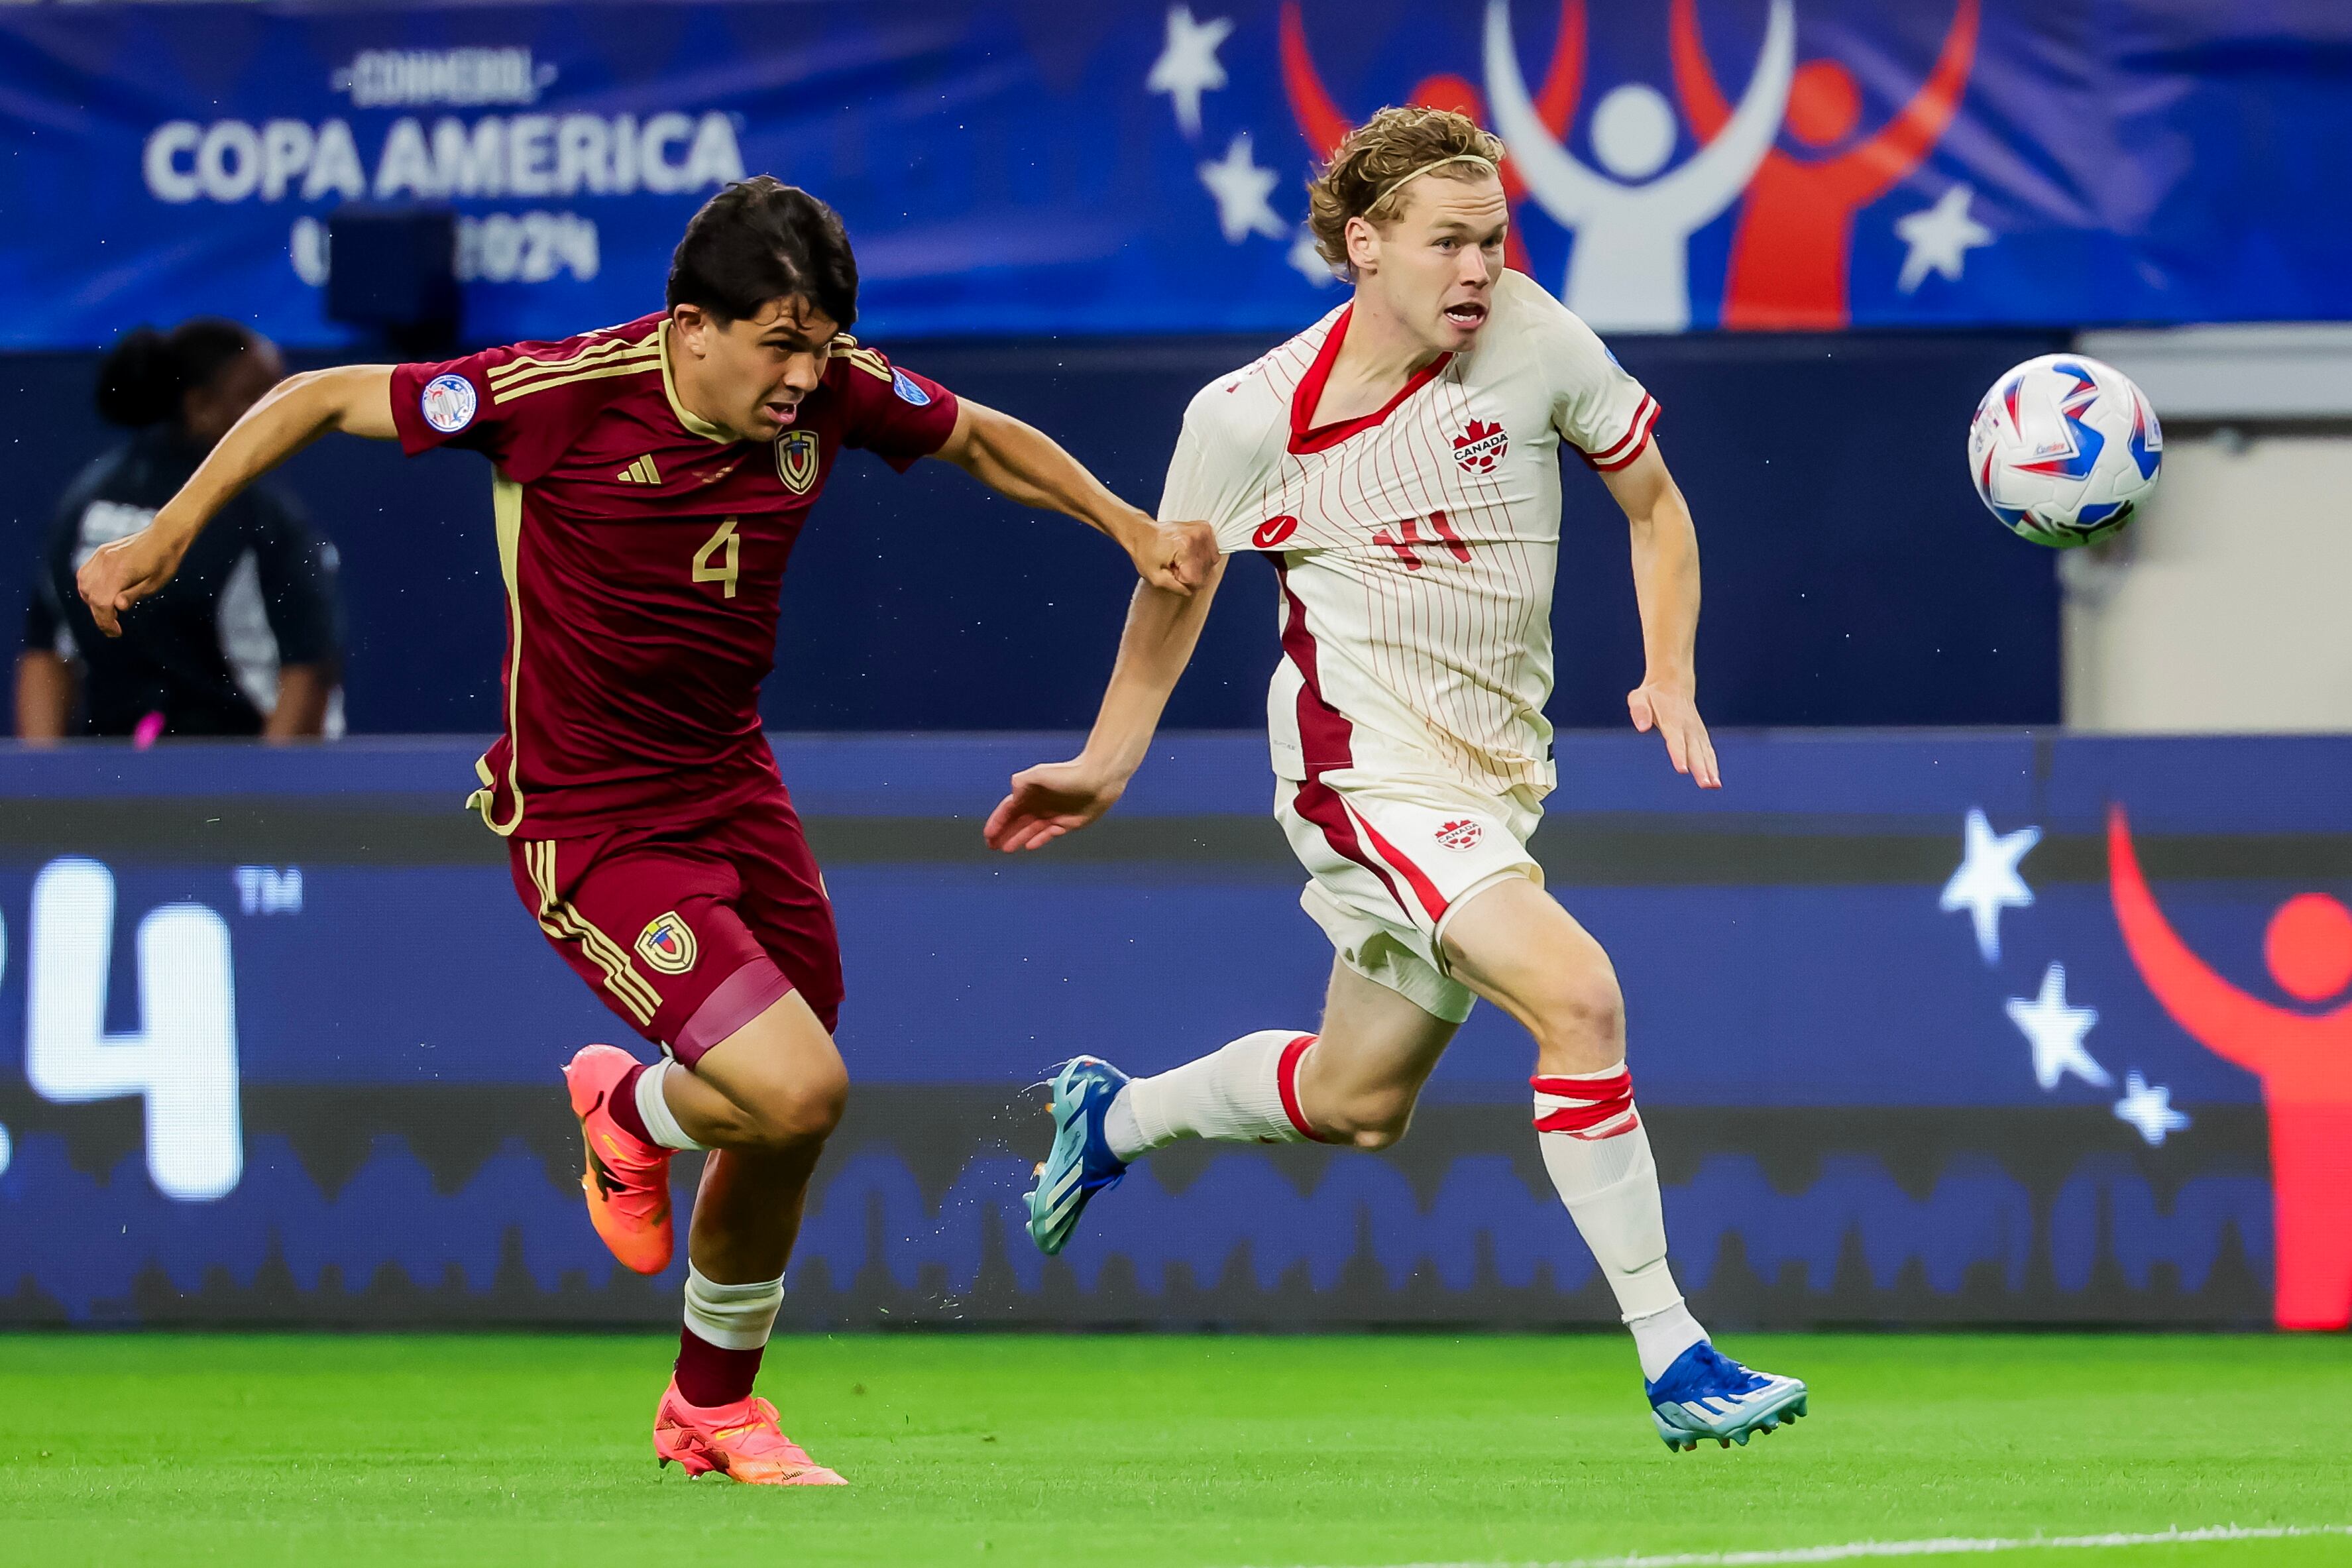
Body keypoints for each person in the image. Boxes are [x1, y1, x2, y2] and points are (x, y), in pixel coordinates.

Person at [78, 176, 1215, 1484]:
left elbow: (976, 438)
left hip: (734, 793)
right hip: (588, 820)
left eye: (823, 347)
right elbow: (323, 395)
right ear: (691, 328)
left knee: (779, 1106)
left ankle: (647, 1182)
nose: (804, 378)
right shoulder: (558, 395)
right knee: (798, 1091)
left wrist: (1127, 525)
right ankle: (708, 1379)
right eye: (778, 344)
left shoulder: (828, 388)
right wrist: (171, 531)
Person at [987, 107, 1805, 1452]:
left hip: (1492, 782)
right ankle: (1677, 1349)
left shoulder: (1537, 338)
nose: (1478, 268)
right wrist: (1106, 759)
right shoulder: (1248, 418)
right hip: (1361, 772)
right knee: (1581, 999)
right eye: (1447, 243)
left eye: (1492, 239)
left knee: (1357, 1103)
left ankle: (1114, 1114)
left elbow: (1653, 507)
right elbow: (1172, 591)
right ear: (1363, 245)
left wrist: (1672, 667)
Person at [18, 319, 341, 743]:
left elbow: (45, 655)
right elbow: (309, 670)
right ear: (200, 404)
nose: (283, 416)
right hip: (233, 781)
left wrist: (44, 793)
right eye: (261, 397)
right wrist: (266, 803)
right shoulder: (261, 516)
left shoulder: (86, 496)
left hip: (119, 787)